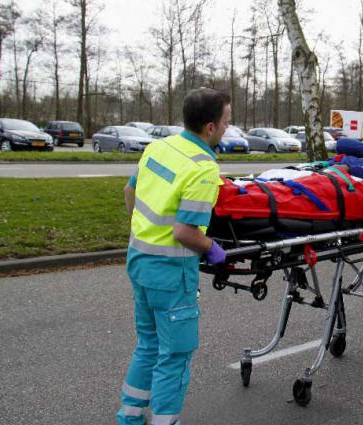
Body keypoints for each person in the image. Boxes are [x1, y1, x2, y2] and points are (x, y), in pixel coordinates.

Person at [117, 88, 231, 425]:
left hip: (139, 260)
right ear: (210, 127)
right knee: (175, 356)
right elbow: (185, 232)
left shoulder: (159, 146)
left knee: (149, 344)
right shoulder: (203, 168)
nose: (227, 128)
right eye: (226, 122)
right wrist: (213, 250)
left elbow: (130, 192)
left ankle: (130, 417)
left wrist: (145, 231)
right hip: (171, 274)